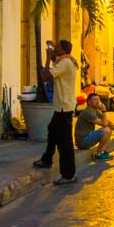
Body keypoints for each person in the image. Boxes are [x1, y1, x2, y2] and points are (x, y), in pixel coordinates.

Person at [34, 39, 79, 185]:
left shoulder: (65, 63)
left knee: (64, 142)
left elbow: (46, 76)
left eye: (57, 48)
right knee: (52, 131)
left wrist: (47, 58)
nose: (55, 50)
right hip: (62, 106)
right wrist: (53, 50)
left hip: (63, 108)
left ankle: (68, 174)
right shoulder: (66, 60)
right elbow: (57, 61)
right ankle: (47, 159)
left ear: (64, 50)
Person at [74, 92, 114, 161]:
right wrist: (104, 110)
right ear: (89, 102)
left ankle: (102, 152)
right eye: (95, 100)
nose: (98, 101)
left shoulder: (94, 111)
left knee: (108, 129)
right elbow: (104, 124)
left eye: (99, 99)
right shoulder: (87, 112)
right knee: (106, 130)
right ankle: (98, 154)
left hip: (88, 137)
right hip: (83, 142)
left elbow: (108, 122)